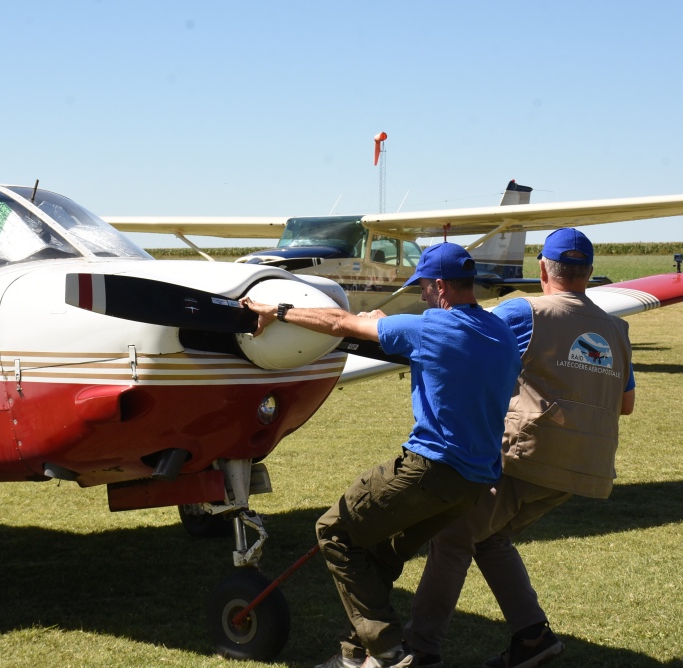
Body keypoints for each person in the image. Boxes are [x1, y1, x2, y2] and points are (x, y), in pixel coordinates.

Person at [241, 243, 521, 668]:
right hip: (475, 482)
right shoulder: (499, 332)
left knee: (334, 531)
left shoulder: (430, 329)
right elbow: (454, 352)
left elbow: (338, 323)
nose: (424, 296)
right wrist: (388, 325)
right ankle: (355, 657)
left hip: (430, 467)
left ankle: (389, 650)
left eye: (425, 288)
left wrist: (274, 312)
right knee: (378, 553)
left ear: (441, 286)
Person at [403, 228, 636, 668]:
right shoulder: (616, 328)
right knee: (490, 536)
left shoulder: (524, 310)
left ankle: (421, 650)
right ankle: (532, 639)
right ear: (588, 273)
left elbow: (465, 337)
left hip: (525, 456)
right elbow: (625, 405)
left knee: (452, 536)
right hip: (588, 468)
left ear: (543, 269)